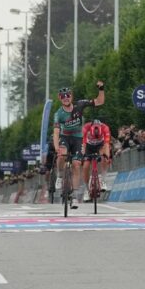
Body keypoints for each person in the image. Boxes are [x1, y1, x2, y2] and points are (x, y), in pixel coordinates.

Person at [52, 81, 105, 209]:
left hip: (77, 138)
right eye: (63, 96)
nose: (66, 98)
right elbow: (56, 133)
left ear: (72, 96)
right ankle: (60, 175)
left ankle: (75, 196)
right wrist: (56, 147)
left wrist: (101, 89)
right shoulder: (58, 114)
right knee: (61, 154)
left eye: (68, 95)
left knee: (76, 165)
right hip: (65, 137)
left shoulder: (80, 105)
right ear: (60, 98)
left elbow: (99, 101)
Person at [80, 118, 112, 201]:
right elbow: (83, 143)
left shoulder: (105, 128)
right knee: (85, 166)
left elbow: (106, 144)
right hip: (88, 146)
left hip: (100, 146)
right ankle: (87, 190)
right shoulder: (86, 127)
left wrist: (107, 156)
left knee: (104, 159)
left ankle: (103, 181)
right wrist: (83, 155)